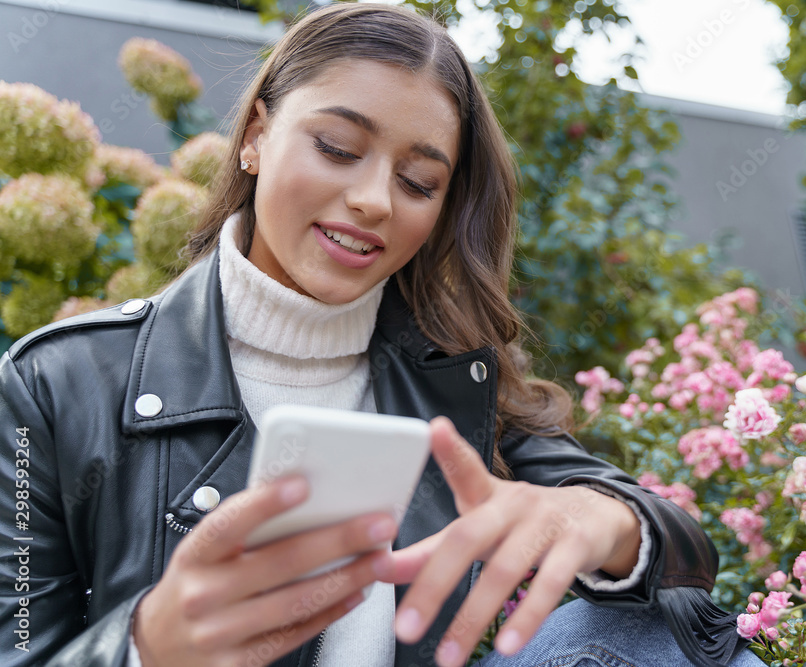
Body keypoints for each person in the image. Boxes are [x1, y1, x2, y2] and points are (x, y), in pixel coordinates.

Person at [0, 4, 765, 666]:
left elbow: (683, 549)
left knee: (623, 626)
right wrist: (146, 646)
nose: (372, 200)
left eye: (418, 182)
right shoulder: (52, 386)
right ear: (256, 136)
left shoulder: (454, 378)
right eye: (336, 147)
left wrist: (599, 519)